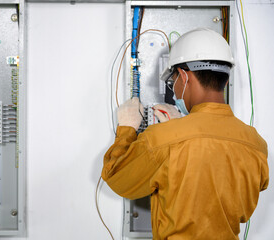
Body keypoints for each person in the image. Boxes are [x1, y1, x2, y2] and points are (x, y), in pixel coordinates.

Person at [101, 28, 269, 239]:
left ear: (184, 76)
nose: (175, 89)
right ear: (225, 80)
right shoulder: (256, 144)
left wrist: (127, 128)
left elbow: (118, 178)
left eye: (173, 82)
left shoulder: (162, 139)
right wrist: (182, 130)